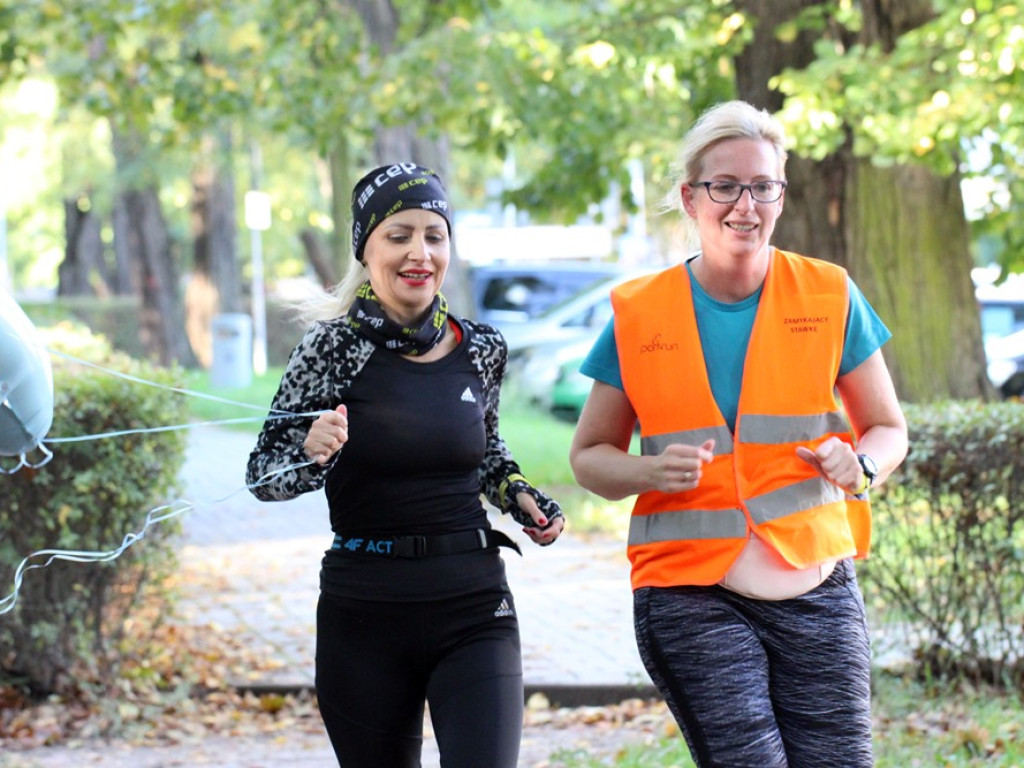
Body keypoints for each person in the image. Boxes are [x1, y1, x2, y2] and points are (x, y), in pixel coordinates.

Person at [569, 101, 908, 767]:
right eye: (725, 186)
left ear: (781, 192)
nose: (744, 206)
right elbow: (588, 457)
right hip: (690, 594)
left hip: (817, 590)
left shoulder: (830, 294)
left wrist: (860, 466)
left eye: (763, 186)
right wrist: (649, 471)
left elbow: (888, 429)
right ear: (691, 197)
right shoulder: (639, 313)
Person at [246, 162, 564, 768]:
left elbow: (487, 453)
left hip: (473, 603)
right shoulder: (330, 347)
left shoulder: (483, 348)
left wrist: (519, 494)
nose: (420, 252)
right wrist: (313, 453)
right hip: (364, 613)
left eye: (434, 235)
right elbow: (263, 473)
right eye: (399, 235)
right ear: (366, 249)